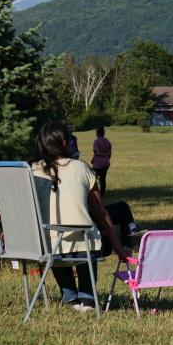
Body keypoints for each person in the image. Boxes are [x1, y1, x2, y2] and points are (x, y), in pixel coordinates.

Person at [31, 122, 129, 311]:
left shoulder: (32, 169)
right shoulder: (81, 168)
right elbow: (101, 213)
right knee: (86, 234)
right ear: (66, 143)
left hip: (48, 247)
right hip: (83, 248)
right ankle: (87, 297)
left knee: (55, 238)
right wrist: (118, 247)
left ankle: (70, 297)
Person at [91, 126, 112, 195]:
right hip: (106, 163)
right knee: (103, 179)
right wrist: (105, 157)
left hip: (97, 164)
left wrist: (96, 158)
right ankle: (102, 194)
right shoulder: (108, 141)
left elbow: (97, 152)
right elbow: (109, 154)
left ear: (98, 133)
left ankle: (93, 193)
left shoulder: (96, 141)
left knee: (93, 179)